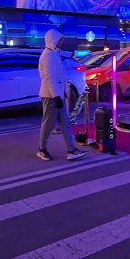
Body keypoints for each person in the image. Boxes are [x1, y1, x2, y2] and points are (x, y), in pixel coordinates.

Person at [38, 29, 87, 162]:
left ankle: (72, 150)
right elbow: (49, 78)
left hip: (58, 95)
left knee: (65, 123)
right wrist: (56, 96)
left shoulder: (52, 54)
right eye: (59, 40)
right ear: (53, 40)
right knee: (48, 124)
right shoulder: (48, 56)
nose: (61, 42)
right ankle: (42, 149)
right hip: (52, 96)